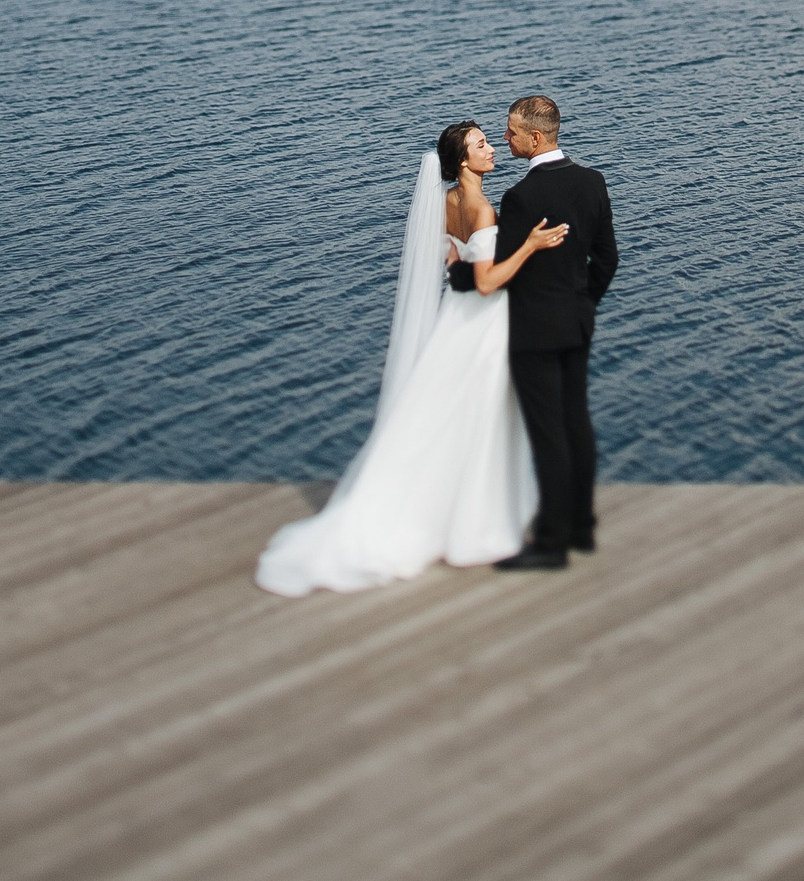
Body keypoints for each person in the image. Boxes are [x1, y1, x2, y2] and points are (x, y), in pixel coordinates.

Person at [254, 121, 568, 596]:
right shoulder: (482, 209)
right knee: (478, 421)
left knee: (446, 417)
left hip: (452, 320)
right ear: (464, 160)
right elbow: (485, 282)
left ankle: (453, 515)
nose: (491, 148)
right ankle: (472, 526)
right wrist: (529, 245)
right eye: (481, 144)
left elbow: (452, 266)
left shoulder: (446, 205)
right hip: (482, 325)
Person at [450, 95, 617, 571]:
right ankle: (582, 525)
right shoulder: (592, 182)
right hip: (577, 321)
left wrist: (456, 273)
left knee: (548, 435)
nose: (506, 139)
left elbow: (502, 270)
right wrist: (585, 303)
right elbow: (607, 259)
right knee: (576, 422)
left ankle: (550, 543)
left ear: (535, 138)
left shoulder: (521, 198)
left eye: (511, 133)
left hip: (534, 329)